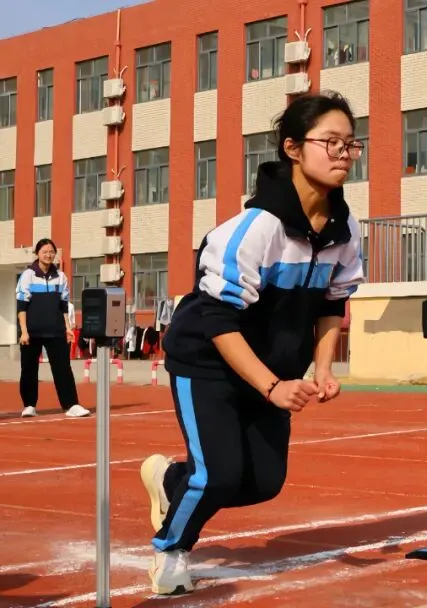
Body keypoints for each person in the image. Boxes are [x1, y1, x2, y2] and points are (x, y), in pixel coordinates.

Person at [138, 92, 367, 596]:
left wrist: (323, 369)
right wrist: (271, 388)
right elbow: (219, 321)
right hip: (208, 361)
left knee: (262, 483)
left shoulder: (346, 230)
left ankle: (171, 481)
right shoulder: (251, 230)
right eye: (329, 142)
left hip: (275, 372)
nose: (342, 154)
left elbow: (332, 303)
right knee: (218, 474)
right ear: (292, 148)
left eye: (351, 144)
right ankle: (171, 552)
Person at [15, 238, 89, 418]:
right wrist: (24, 331)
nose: (48, 255)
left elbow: (64, 305)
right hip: (32, 332)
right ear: (37, 254)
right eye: (44, 252)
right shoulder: (28, 275)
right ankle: (29, 405)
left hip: (55, 330)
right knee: (29, 369)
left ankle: (71, 405)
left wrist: (68, 327)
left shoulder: (61, 277)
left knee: (63, 368)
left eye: (51, 252)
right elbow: (22, 306)